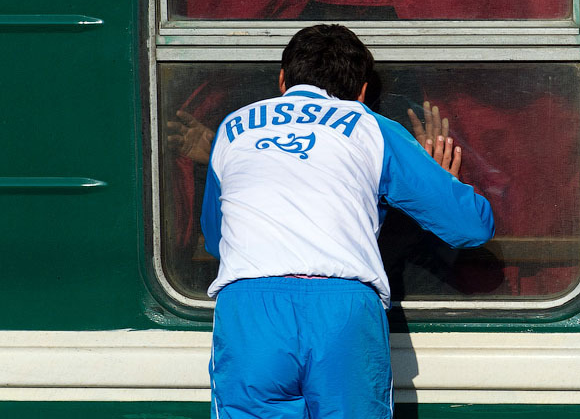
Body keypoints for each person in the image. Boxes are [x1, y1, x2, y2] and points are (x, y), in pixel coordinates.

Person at [201, 24, 494, 419]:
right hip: (342, 311)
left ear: (283, 80)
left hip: (251, 310)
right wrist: (441, 179)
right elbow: (471, 228)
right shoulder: (371, 126)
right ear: (361, 92)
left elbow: (215, 238)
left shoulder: (231, 128)